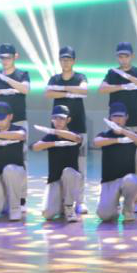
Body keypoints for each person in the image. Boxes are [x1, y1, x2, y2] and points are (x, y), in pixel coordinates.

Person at [99, 42, 137, 213]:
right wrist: (121, 86)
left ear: (132, 56)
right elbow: (102, 89)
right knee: (115, 160)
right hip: (115, 124)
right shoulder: (112, 73)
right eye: (120, 56)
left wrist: (128, 77)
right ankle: (115, 197)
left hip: (136, 123)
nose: (123, 59)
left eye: (126, 56)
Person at [46, 46, 89, 213]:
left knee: (80, 165)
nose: (65, 62)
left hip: (78, 126)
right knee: (57, 162)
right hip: (58, 128)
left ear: (74, 61)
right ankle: (61, 198)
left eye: (68, 59)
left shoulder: (80, 77)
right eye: (63, 59)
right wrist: (70, 92)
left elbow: (84, 90)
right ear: (59, 61)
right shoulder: (54, 78)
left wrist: (61, 90)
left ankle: (80, 201)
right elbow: (48, 93)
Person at [93, 101, 137, 222]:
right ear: (110, 118)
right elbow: (96, 142)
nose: (118, 119)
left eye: (121, 116)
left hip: (126, 180)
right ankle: (113, 206)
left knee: (133, 180)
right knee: (105, 215)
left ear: (126, 117)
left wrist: (123, 132)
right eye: (115, 116)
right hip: (109, 181)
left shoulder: (132, 135)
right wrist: (118, 140)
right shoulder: (104, 135)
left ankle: (128, 209)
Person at [33, 104, 84, 222]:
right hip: (55, 180)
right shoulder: (50, 136)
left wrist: (55, 131)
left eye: (61, 118)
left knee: (69, 172)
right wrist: (55, 143)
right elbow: (35, 147)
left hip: (71, 179)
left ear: (68, 120)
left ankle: (69, 207)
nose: (58, 121)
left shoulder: (73, 134)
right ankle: (61, 205)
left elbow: (77, 139)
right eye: (55, 118)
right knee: (47, 214)